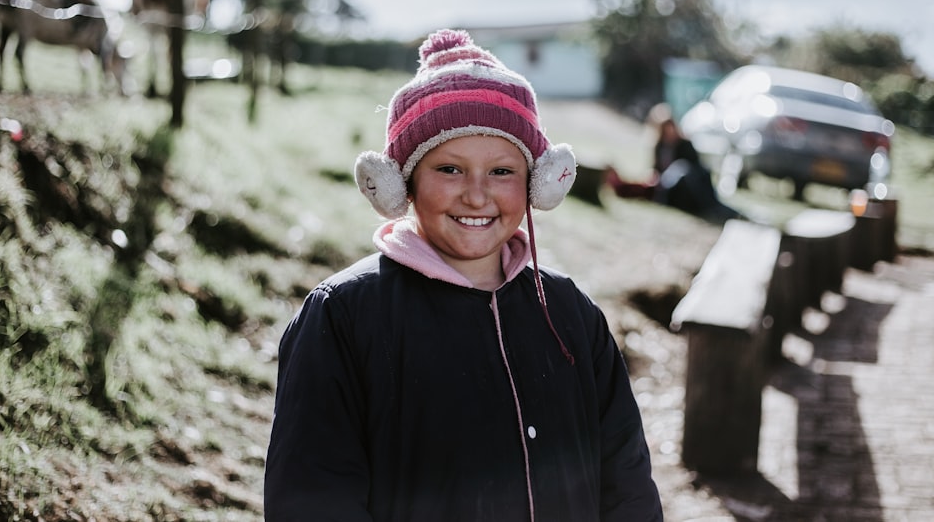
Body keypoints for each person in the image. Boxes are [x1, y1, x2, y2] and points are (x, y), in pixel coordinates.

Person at [264, 29, 664, 521]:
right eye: (449, 169)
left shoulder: (571, 313)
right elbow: (312, 497)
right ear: (401, 183)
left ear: (537, 183)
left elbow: (627, 483)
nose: (476, 196)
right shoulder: (345, 316)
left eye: (501, 172)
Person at [605, 103, 741, 224]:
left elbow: (695, 169)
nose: (670, 132)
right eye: (666, 129)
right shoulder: (659, 147)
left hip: (689, 185)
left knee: (689, 172)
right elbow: (656, 170)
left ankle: (713, 208)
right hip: (670, 189)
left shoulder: (685, 145)